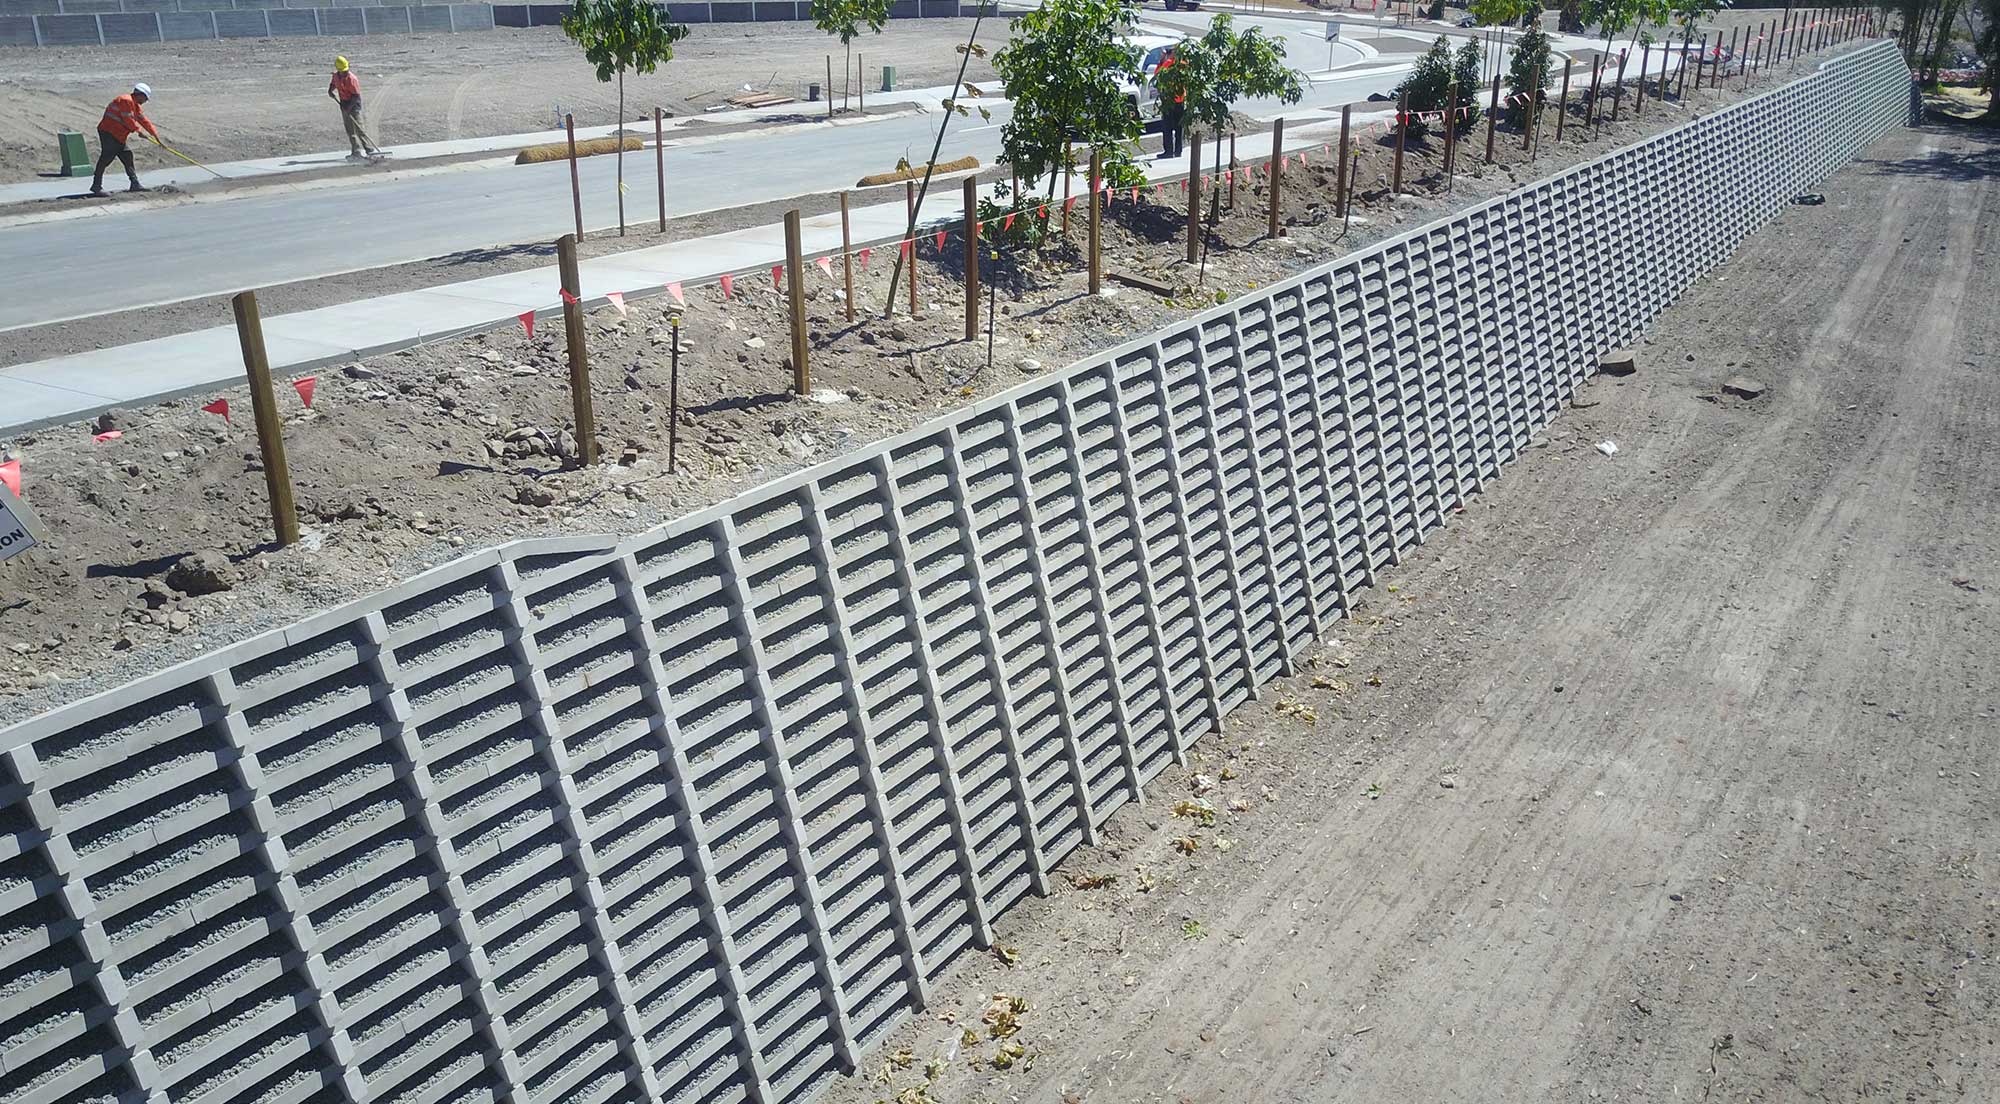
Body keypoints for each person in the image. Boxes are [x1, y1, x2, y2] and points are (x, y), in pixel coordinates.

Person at [90, 82, 157, 196]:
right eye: (145, 98)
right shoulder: (126, 100)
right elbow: (128, 120)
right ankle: (96, 186)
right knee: (106, 158)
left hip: (119, 135)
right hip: (109, 133)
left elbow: (143, 120)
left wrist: (155, 134)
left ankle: (134, 183)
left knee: (127, 156)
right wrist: (139, 131)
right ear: (139, 94)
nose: (145, 101)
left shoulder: (135, 105)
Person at [328, 56, 382, 160]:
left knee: (359, 128)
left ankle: (369, 149)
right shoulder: (336, 76)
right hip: (344, 104)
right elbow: (333, 84)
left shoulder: (352, 79)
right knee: (350, 130)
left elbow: (356, 96)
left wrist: (349, 108)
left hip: (354, 104)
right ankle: (356, 151)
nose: (345, 72)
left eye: (345, 70)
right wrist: (330, 91)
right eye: (343, 71)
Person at [1156, 48, 1187, 160]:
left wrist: (1161, 61)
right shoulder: (1184, 64)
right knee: (1179, 127)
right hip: (1180, 100)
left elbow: (1157, 75)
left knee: (1167, 127)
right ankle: (1178, 150)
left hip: (1169, 100)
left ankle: (1168, 151)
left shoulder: (1169, 63)